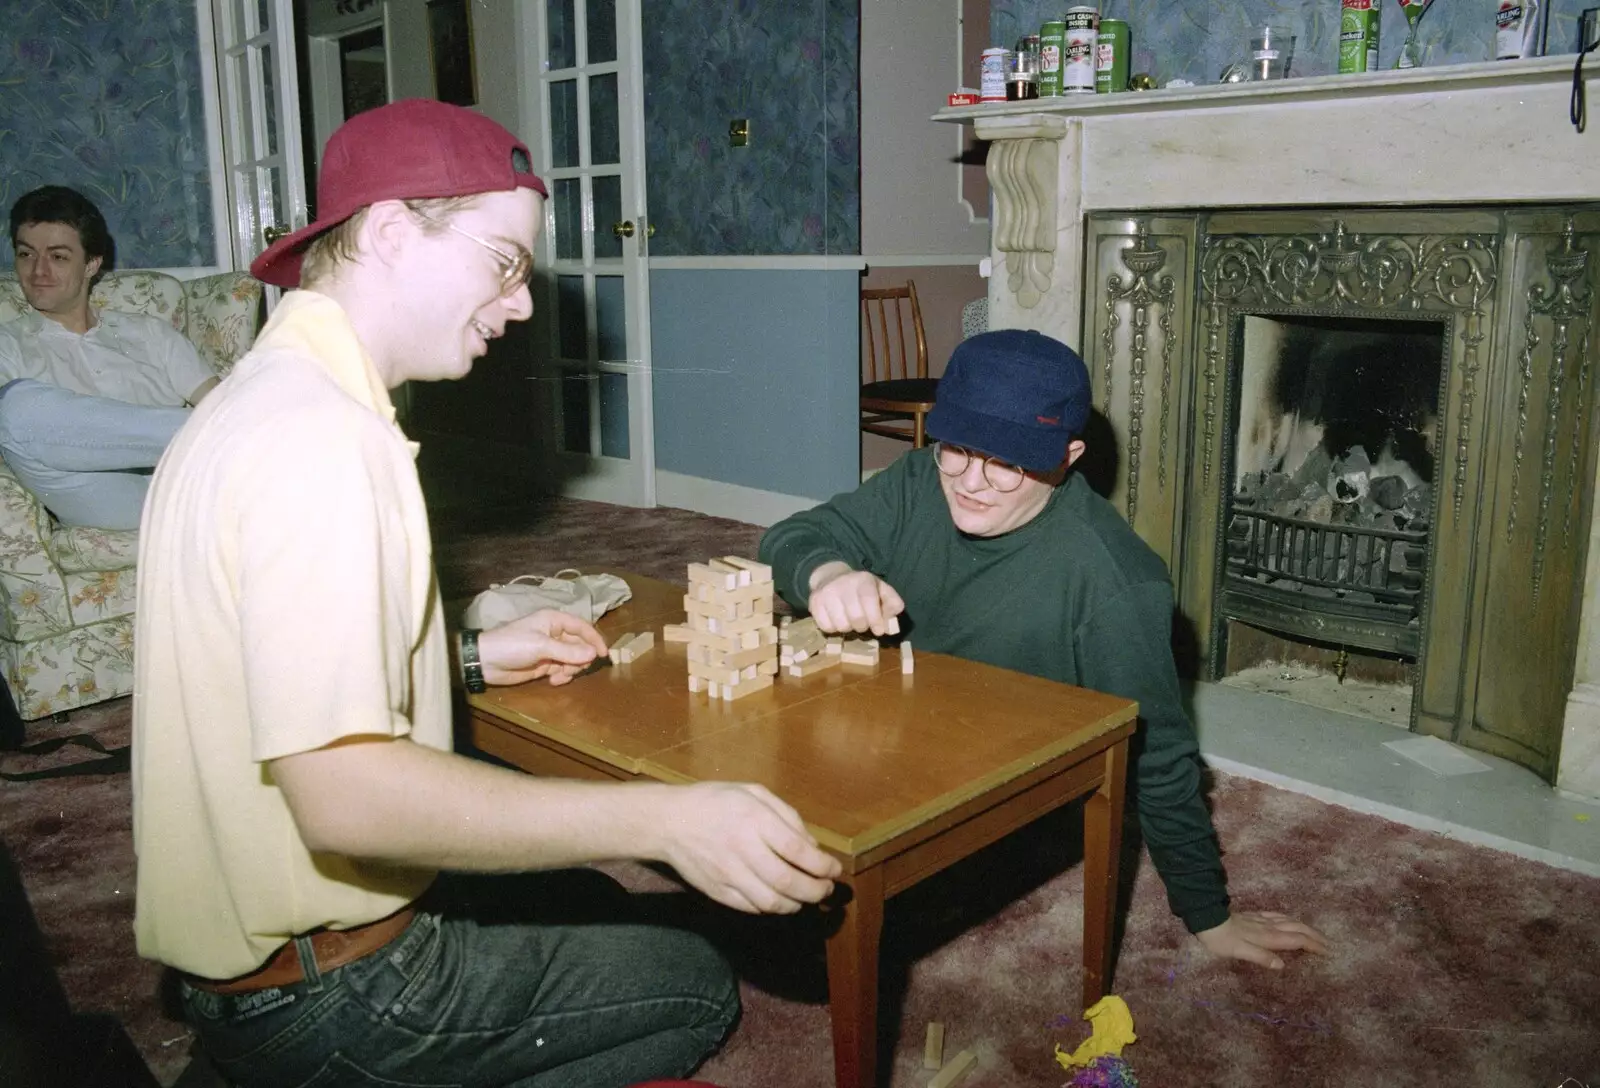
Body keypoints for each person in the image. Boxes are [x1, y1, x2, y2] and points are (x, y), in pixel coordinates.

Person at [132, 98, 841, 1088]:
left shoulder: (251, 401)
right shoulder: (327, 445)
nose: (518, 304)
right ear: (387, 231)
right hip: (337, 987)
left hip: (236, 973)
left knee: (582, 896)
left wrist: (459, 655)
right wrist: (668, 816)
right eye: (504, 263)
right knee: (693, 981)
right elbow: (344, 800)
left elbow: (256, 673)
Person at [759, 329, 1329, 970]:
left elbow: (1160, 756)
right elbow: (794, 534)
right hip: (899, 718)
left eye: (1007, 463)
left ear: (1068, 456)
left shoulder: (1115, 581)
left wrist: (1211, 916)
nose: (972, 481)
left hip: (1001, 784)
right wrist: (827, 573)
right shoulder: (921, 477)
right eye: (959, 450)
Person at [0, 185, 218, 530]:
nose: (38, 271)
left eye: (58, 257)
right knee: (12, 409)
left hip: (185, 481)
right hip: (103, 495)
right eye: (26, 255)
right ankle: (246, 433)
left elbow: (217, 402)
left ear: (91, 265)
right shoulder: (7, 344)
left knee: (228, 415)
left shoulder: (151, 332)